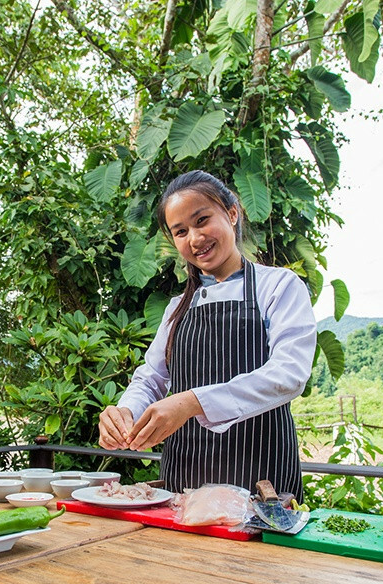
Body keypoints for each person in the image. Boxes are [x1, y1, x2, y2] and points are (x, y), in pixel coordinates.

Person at [98, 170, 317, 497]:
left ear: (232, 213)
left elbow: (289, 374)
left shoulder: (279, 287)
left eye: (202, 220)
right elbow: (152, 378)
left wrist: (191, 402)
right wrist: (126, 412)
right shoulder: (176, 308)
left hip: (260, 480)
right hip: (182, 482)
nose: (195, 238)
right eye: (181, 231)